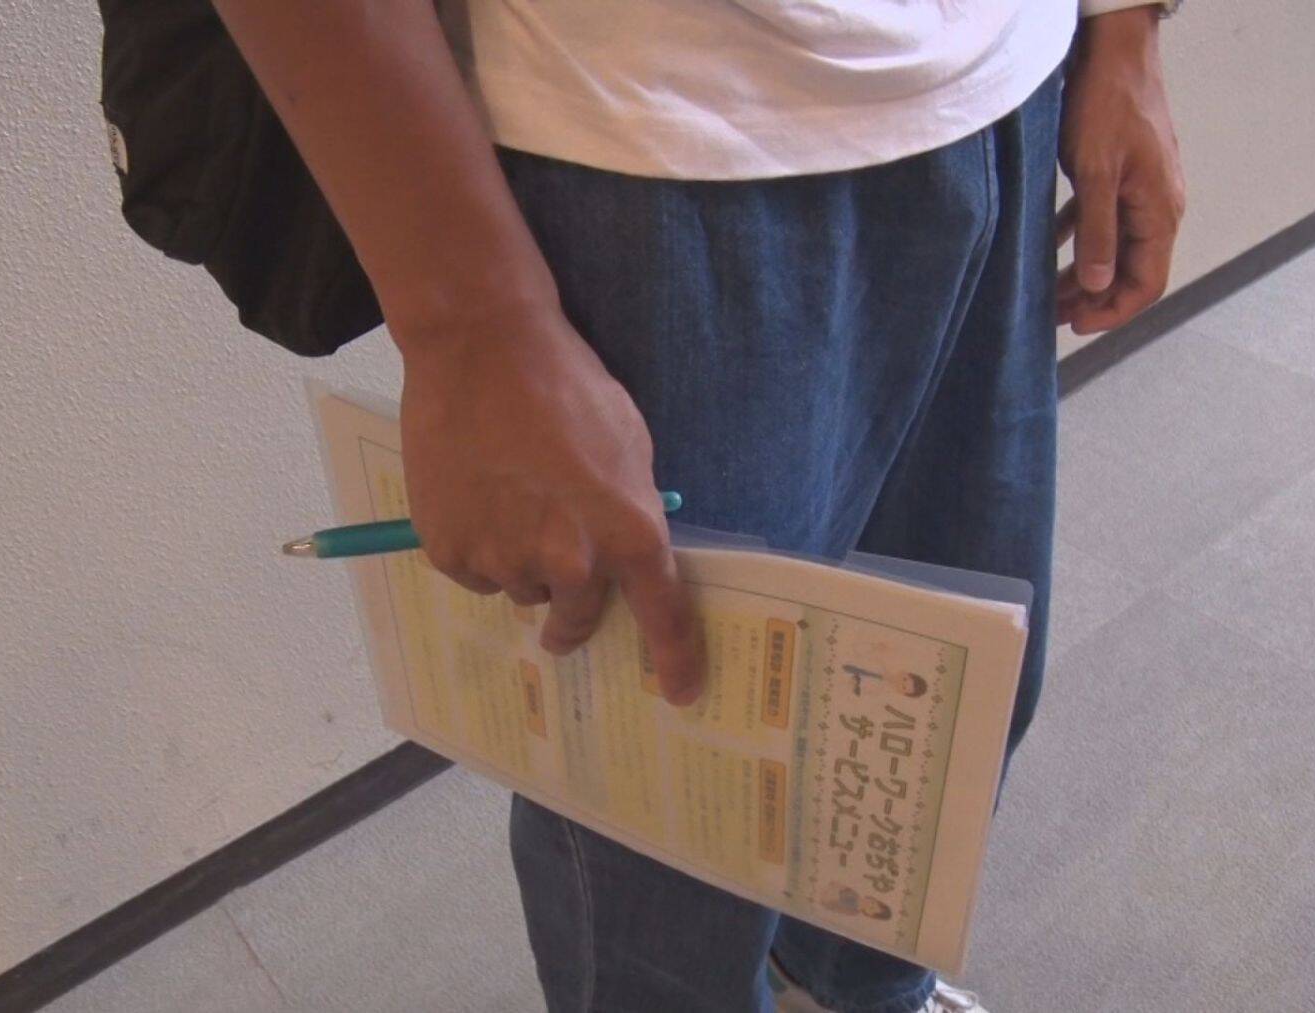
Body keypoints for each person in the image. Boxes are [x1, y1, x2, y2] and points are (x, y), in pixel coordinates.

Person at [213, 0, 1185, 1009]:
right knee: (673, 854)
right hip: (649, 148)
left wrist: (1124, 25)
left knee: (939, 717)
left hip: (1004, 79)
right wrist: (474, 324)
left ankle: (852, 993)